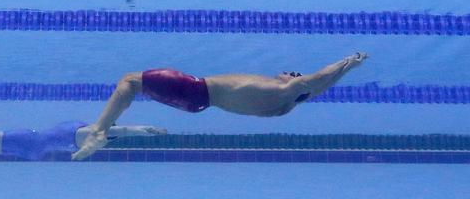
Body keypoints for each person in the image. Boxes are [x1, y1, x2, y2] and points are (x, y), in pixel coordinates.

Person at [71, 52, 369, 160]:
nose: (289, 73)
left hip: (194, 89)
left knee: (130, 81)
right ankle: (100, 131)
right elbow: (316, 87)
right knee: (132, 84)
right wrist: (344, 71)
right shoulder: (283, 105)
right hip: (198, 103)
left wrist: (347, 63)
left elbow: (316, 80)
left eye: (294, 73)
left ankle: (99, 131)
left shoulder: (286, 89)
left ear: (297, 82)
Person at [0, 116, 165, 161]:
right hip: (33, 148)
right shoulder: (88, 134)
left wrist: (146, 128)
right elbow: (119, 131)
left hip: (29, 141)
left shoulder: (89, 134)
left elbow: (122, 131)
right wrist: (148, 130)